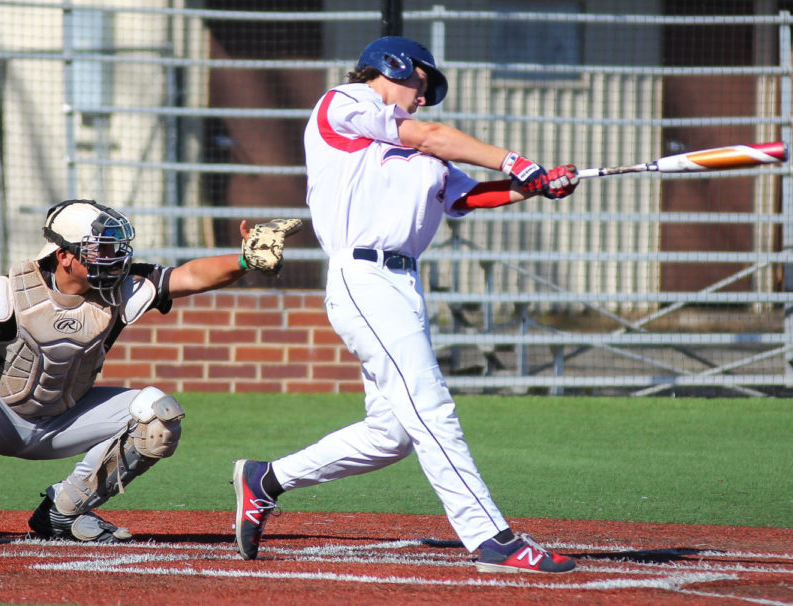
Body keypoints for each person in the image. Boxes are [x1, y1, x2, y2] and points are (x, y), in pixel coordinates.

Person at [232, 36, 579, 574]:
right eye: (421, 83)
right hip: (361, 276)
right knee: (430, 406)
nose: (424, 97)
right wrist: (519, 161)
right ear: (392, 67)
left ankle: (266, 479)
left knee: (390, 435)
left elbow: (466, 196)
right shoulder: (345, 103)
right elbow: (431, 134)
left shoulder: (424, 152)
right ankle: (490, 537)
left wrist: (534, 186)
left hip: (404, 285)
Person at [0, 199, 300, 546]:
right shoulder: (9, 293)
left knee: (159, 415)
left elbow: (190, 276)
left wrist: (246, 258)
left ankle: (63, 512)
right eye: (100, 250)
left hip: (64, 419)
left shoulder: (122, 288)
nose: (114, 258)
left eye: (115, 248)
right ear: (63, 254)